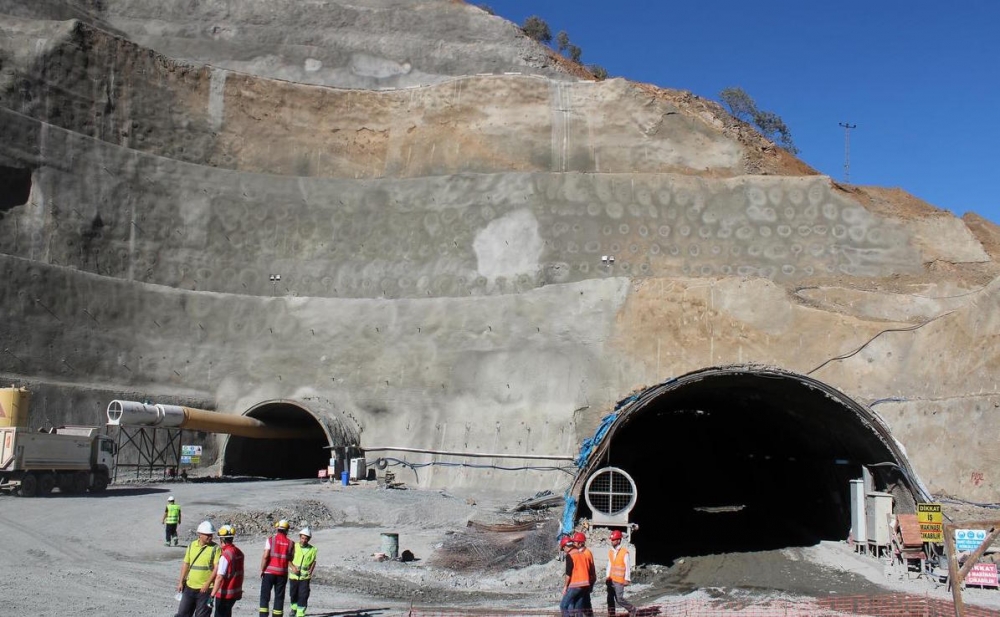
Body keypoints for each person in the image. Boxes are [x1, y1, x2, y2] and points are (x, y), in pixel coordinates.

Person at [176, 521, 220, 617]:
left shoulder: (215, 548)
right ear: (200, 534)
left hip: (205, 590)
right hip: (189, 587)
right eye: (207, 535)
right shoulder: (192, 545)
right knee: (182, 614)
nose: (210, 537)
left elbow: (217, 568)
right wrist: (181, 581)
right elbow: (186, 564)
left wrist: (207, 584)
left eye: (211, 535)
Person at [259, 519, 295, 617]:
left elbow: (266, 556)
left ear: (277, 528)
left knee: (265, 596)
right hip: (282, 574)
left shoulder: (271, 540)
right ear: (287, 530)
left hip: (269, 573)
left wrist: (262, 569)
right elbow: (291, 558)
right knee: (279, 597)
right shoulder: (291, 543)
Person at [211, 525, 245, 617]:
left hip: (225, 593)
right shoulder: (239, 552)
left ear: (222, 539)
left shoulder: (225, 555)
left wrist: (212, 595)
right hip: (234, 592)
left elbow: (219, 577)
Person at [605, 530, 637, 617]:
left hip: (619, 580)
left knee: (619, 599)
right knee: (610, 598)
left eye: (614, 540)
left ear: (619, 540)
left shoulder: (624, 552)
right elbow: (609, 565)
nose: (612, 541)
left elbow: (627, 567)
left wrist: (627, 579)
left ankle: (632, 609)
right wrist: (607, 576)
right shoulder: (611, 552)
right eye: (611, 540)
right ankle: (611, 614)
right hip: (611, 579)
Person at [288, 527, 318, 617]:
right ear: (300, 537)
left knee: (303, 595)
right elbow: (288, 559)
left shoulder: (313, 549)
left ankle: (300, 613)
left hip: (305, 577)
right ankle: (294, 608)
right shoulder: (294, 546)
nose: (304, 540)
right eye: (302, 538)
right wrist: (293, 567)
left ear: (309, 539)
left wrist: (311, 571)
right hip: (294, 576)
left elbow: (314, 561)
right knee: (293, 593)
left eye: (306, 538)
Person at [573, 532, 597, 617]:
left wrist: (591, 583)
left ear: (580, 543)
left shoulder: (587, 553)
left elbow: (590, 569)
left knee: (583, 603)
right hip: (579, 582)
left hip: (585, 582)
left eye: (575, 542)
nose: (574, 544)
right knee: (583, 603)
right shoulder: (576, 552)